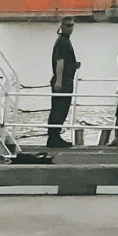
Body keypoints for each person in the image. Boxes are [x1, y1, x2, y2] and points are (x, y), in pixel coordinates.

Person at [47, 21, 79, 149]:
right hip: (63, 81)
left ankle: (55, 137)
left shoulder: (64, 41)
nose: (70, 28)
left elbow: (64, 61)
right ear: (62, 26)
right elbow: (60, 62)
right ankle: (54, 138)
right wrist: (59, 81)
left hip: (66, 79)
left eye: (72, 25)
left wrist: (73, 65)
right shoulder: (63, 42)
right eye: (68, 25)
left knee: (60, 109)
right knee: (59, 109)